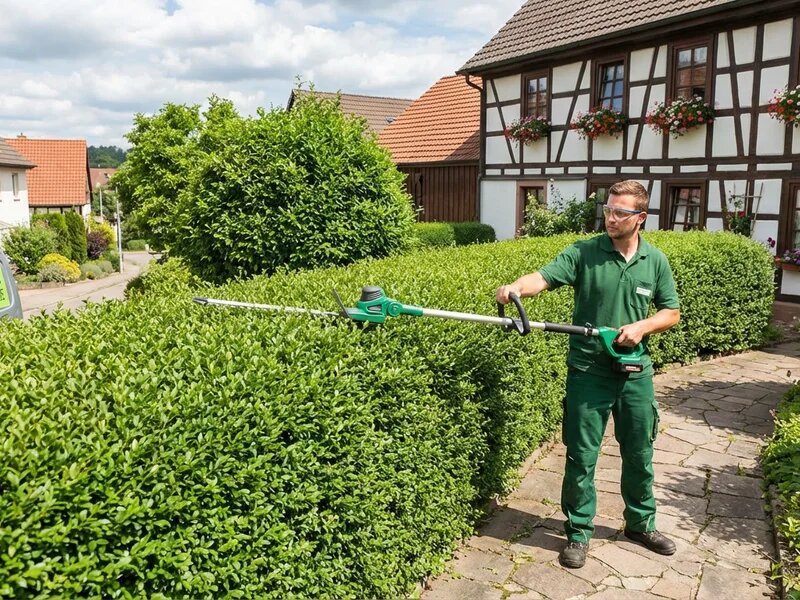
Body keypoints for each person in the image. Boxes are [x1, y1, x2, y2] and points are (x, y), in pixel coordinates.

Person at [496, 180, 681, 569]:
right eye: (608, 210)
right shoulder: (584, 252)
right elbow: (543, 277)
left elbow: (671, 312)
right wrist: (515, 287)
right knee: (581, 456)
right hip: (589, 371)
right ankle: (578, 532)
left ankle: (640, 524)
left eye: (620, 212)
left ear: (640, 218)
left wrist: (643, 327)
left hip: (635, 373)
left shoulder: (655, 261)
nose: (610, 217)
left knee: (640, 452)